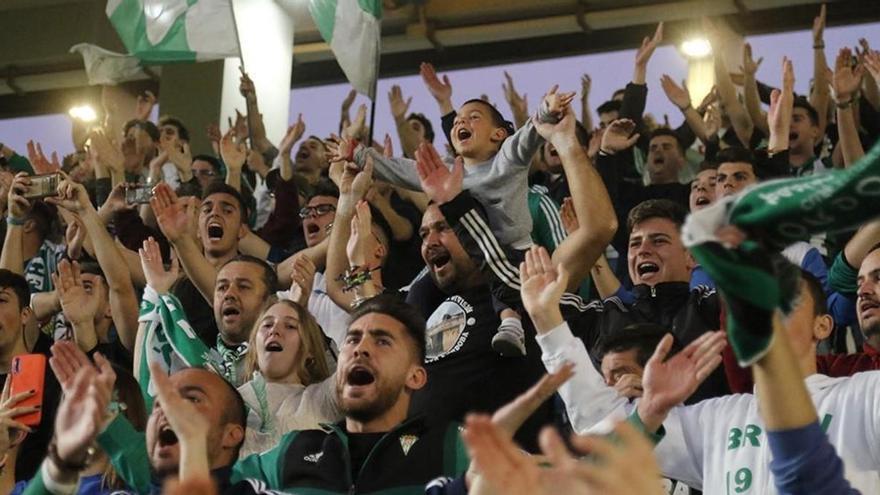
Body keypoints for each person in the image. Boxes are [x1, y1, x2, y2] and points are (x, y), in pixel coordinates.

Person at [236, 299, 340, 457]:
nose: (274, 331)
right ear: (254, 346)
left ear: (309, 348)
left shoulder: (322, 400)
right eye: (267, 325)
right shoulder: (227, 401)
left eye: (290, 326)